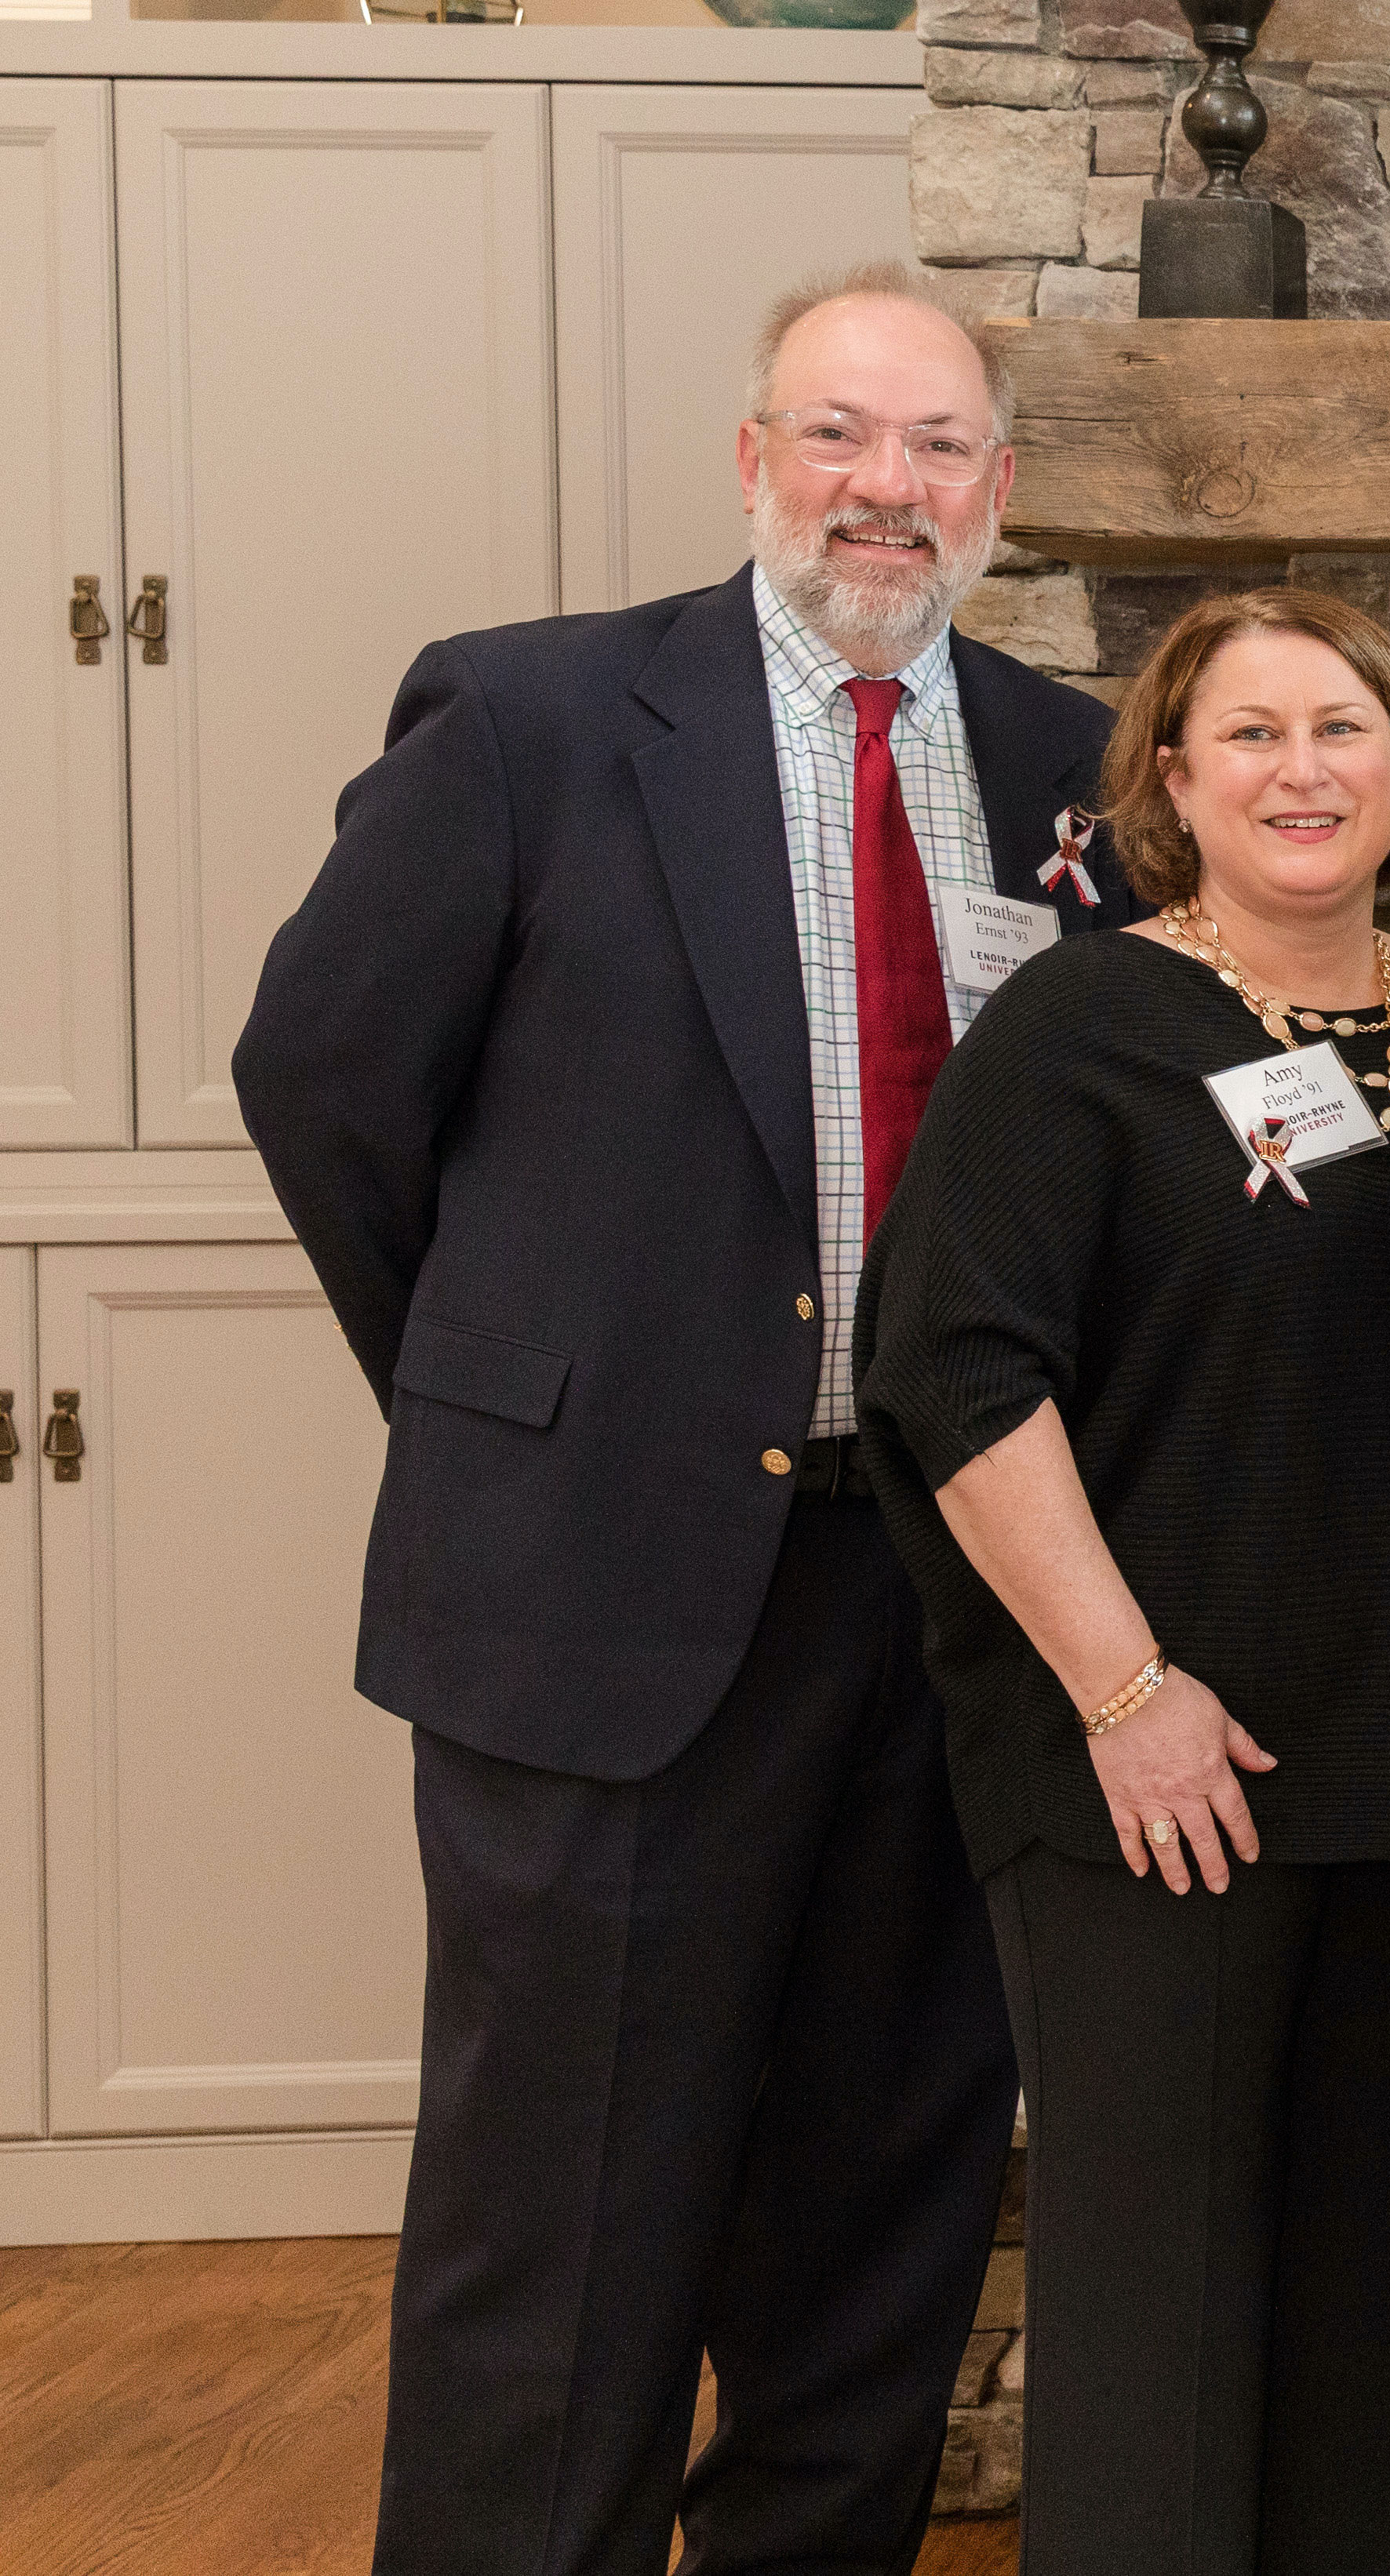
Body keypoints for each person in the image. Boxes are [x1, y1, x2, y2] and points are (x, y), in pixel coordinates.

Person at [230, 267, 1118, 2576]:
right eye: (838, 434)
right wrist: (515, 1390)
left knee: (881, 2223)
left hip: (951, 1601)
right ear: (751, 461)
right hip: (602, 1594)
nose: (884, 488)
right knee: (569, 2233)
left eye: (935, 447)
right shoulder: (532, 719)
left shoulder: (1070, 771)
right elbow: (324, 1079)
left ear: (1000, 492)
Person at [859, 585, 1390, 2575]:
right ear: (1171, 778)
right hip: (1157, 1777)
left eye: (1341, 728)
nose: (1299, 769)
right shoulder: (1077, 1028)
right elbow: (956, 1369)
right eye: (1247, 733)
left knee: (1365, 2308)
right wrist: (1127, 1695)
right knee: (1156, 2324)